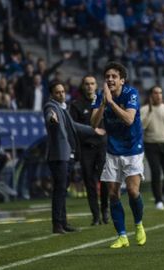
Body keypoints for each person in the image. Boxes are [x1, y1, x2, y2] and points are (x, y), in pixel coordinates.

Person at [91, 62, 146, 249]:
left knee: (132, 191)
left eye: (114, 76)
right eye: (107, 77)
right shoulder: (100, 96)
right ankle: (122, 235)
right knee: (113, 194)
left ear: (122, 80)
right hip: (113, 150)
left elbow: (130, 119)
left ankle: (138, 225)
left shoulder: (131, 94)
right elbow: (94, 123)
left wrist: (111, 103)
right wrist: (103, 104)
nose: (110, 79)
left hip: (133, 149)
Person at [43, 80, 105, 234]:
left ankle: (63, 222)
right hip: (58, 155)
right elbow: (49, 115)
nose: (61, 94)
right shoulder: (51, 106)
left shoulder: (63, 108)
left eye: (63, 91)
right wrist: (52, 118)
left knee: (62, 190)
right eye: (57, 92)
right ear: (52, 94)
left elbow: (74, 126)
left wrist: (93, 130)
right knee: (59, 190)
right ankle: (57, 224)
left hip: (65, 154)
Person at [70, 75, 109, 225]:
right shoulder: (76, 105)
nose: (90, 86)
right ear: (83, 86)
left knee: (104, 180)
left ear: (96, 86)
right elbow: (74, 127)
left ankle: (105, 209)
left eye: (92, 83)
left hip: (102, 146)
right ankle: (96, 215)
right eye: (87, 84)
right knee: (89, 183)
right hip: (86, 148)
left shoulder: (103, 102)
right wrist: (92, 131)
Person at [140, 86, 164, 210]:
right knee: (156, 173)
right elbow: (142, 126)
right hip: (151, 145)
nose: (158, 95)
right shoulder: (144, 109)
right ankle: (158, 200)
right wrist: (150, 112)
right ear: (151, 95)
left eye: (160, 93)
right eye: (156, 93)